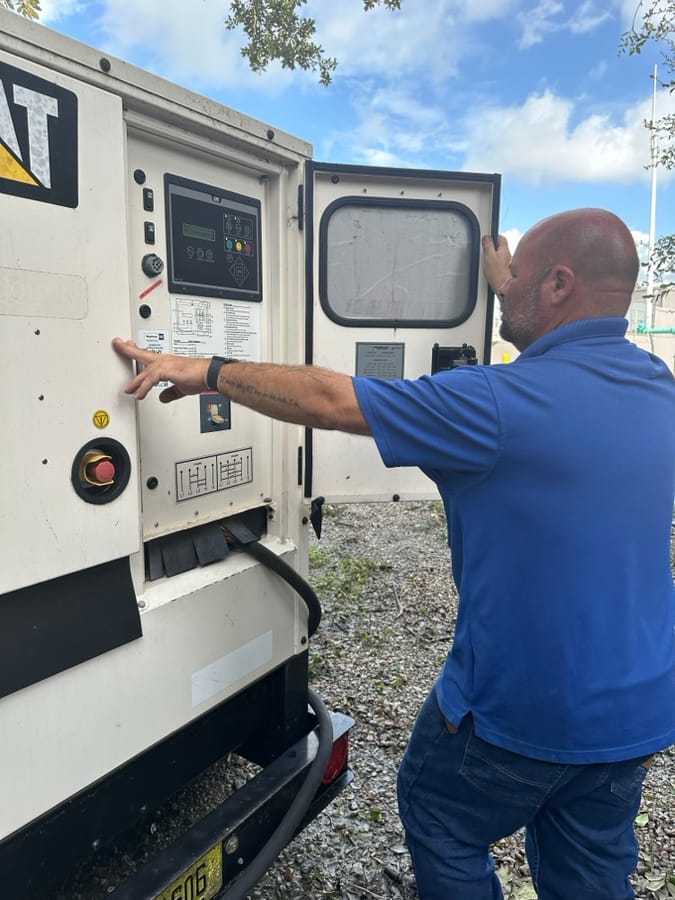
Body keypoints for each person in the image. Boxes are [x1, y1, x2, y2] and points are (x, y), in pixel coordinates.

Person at [113, 208, 675, 900]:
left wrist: (207, 368)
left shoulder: (500, 404)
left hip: (519, 711)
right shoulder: (657, 389)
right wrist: (508, 282)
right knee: (590, 867)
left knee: (442, 821)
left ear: (557, 285)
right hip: (636, 710)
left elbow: (327, 399)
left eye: (516, 279)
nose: (503, 292)